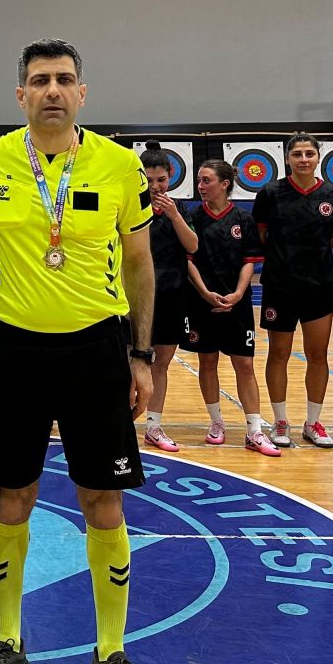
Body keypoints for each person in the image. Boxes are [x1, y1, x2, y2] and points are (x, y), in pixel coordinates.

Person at [0, 39, 163, 664]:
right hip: (15, 347)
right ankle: (7, 645)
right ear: (20, 95)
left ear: (82, 93)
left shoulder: (119, 165)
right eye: (40, 80)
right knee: (12, 494)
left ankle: (111, 654)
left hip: (96, 349)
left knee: (103, 497)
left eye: (64, 79)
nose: (52, 90)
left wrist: (141, 354)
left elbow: (139, 261)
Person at [255, 133, 333, 450]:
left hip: (318, 285)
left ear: (318, 157)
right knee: (278, 353)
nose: (303, 159)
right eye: (297, 154)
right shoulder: (270, 193)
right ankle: (280, 421)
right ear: (287, 158)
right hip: (280, 285)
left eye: (309, 153)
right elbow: (262, 235)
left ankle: (313, 422)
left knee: (317, 355)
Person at [184, 159, 272, 456]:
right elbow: (188, 261)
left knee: (245, 365)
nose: (200, 186)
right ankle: (216, 422)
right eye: (199, 180)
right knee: (207, 362)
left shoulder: (243, 219)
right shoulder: (193, 216)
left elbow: (249, 261)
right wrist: (205, 293)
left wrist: (237, 294)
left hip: (238, 305)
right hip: (202, 303)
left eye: (206, 180)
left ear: (224, 184)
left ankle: (254, 429)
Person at [138, 147, 198, 453]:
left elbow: (193, 246)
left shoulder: (181, 209)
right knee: (130, 362)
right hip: (136, 297)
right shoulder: (130, 206)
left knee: (160, 364)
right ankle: (119, 423)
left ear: (171, 176)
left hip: (172, 295)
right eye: (149, 180)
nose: (155, 186)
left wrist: (174, 216)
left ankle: (153, 426)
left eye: (160, 179)